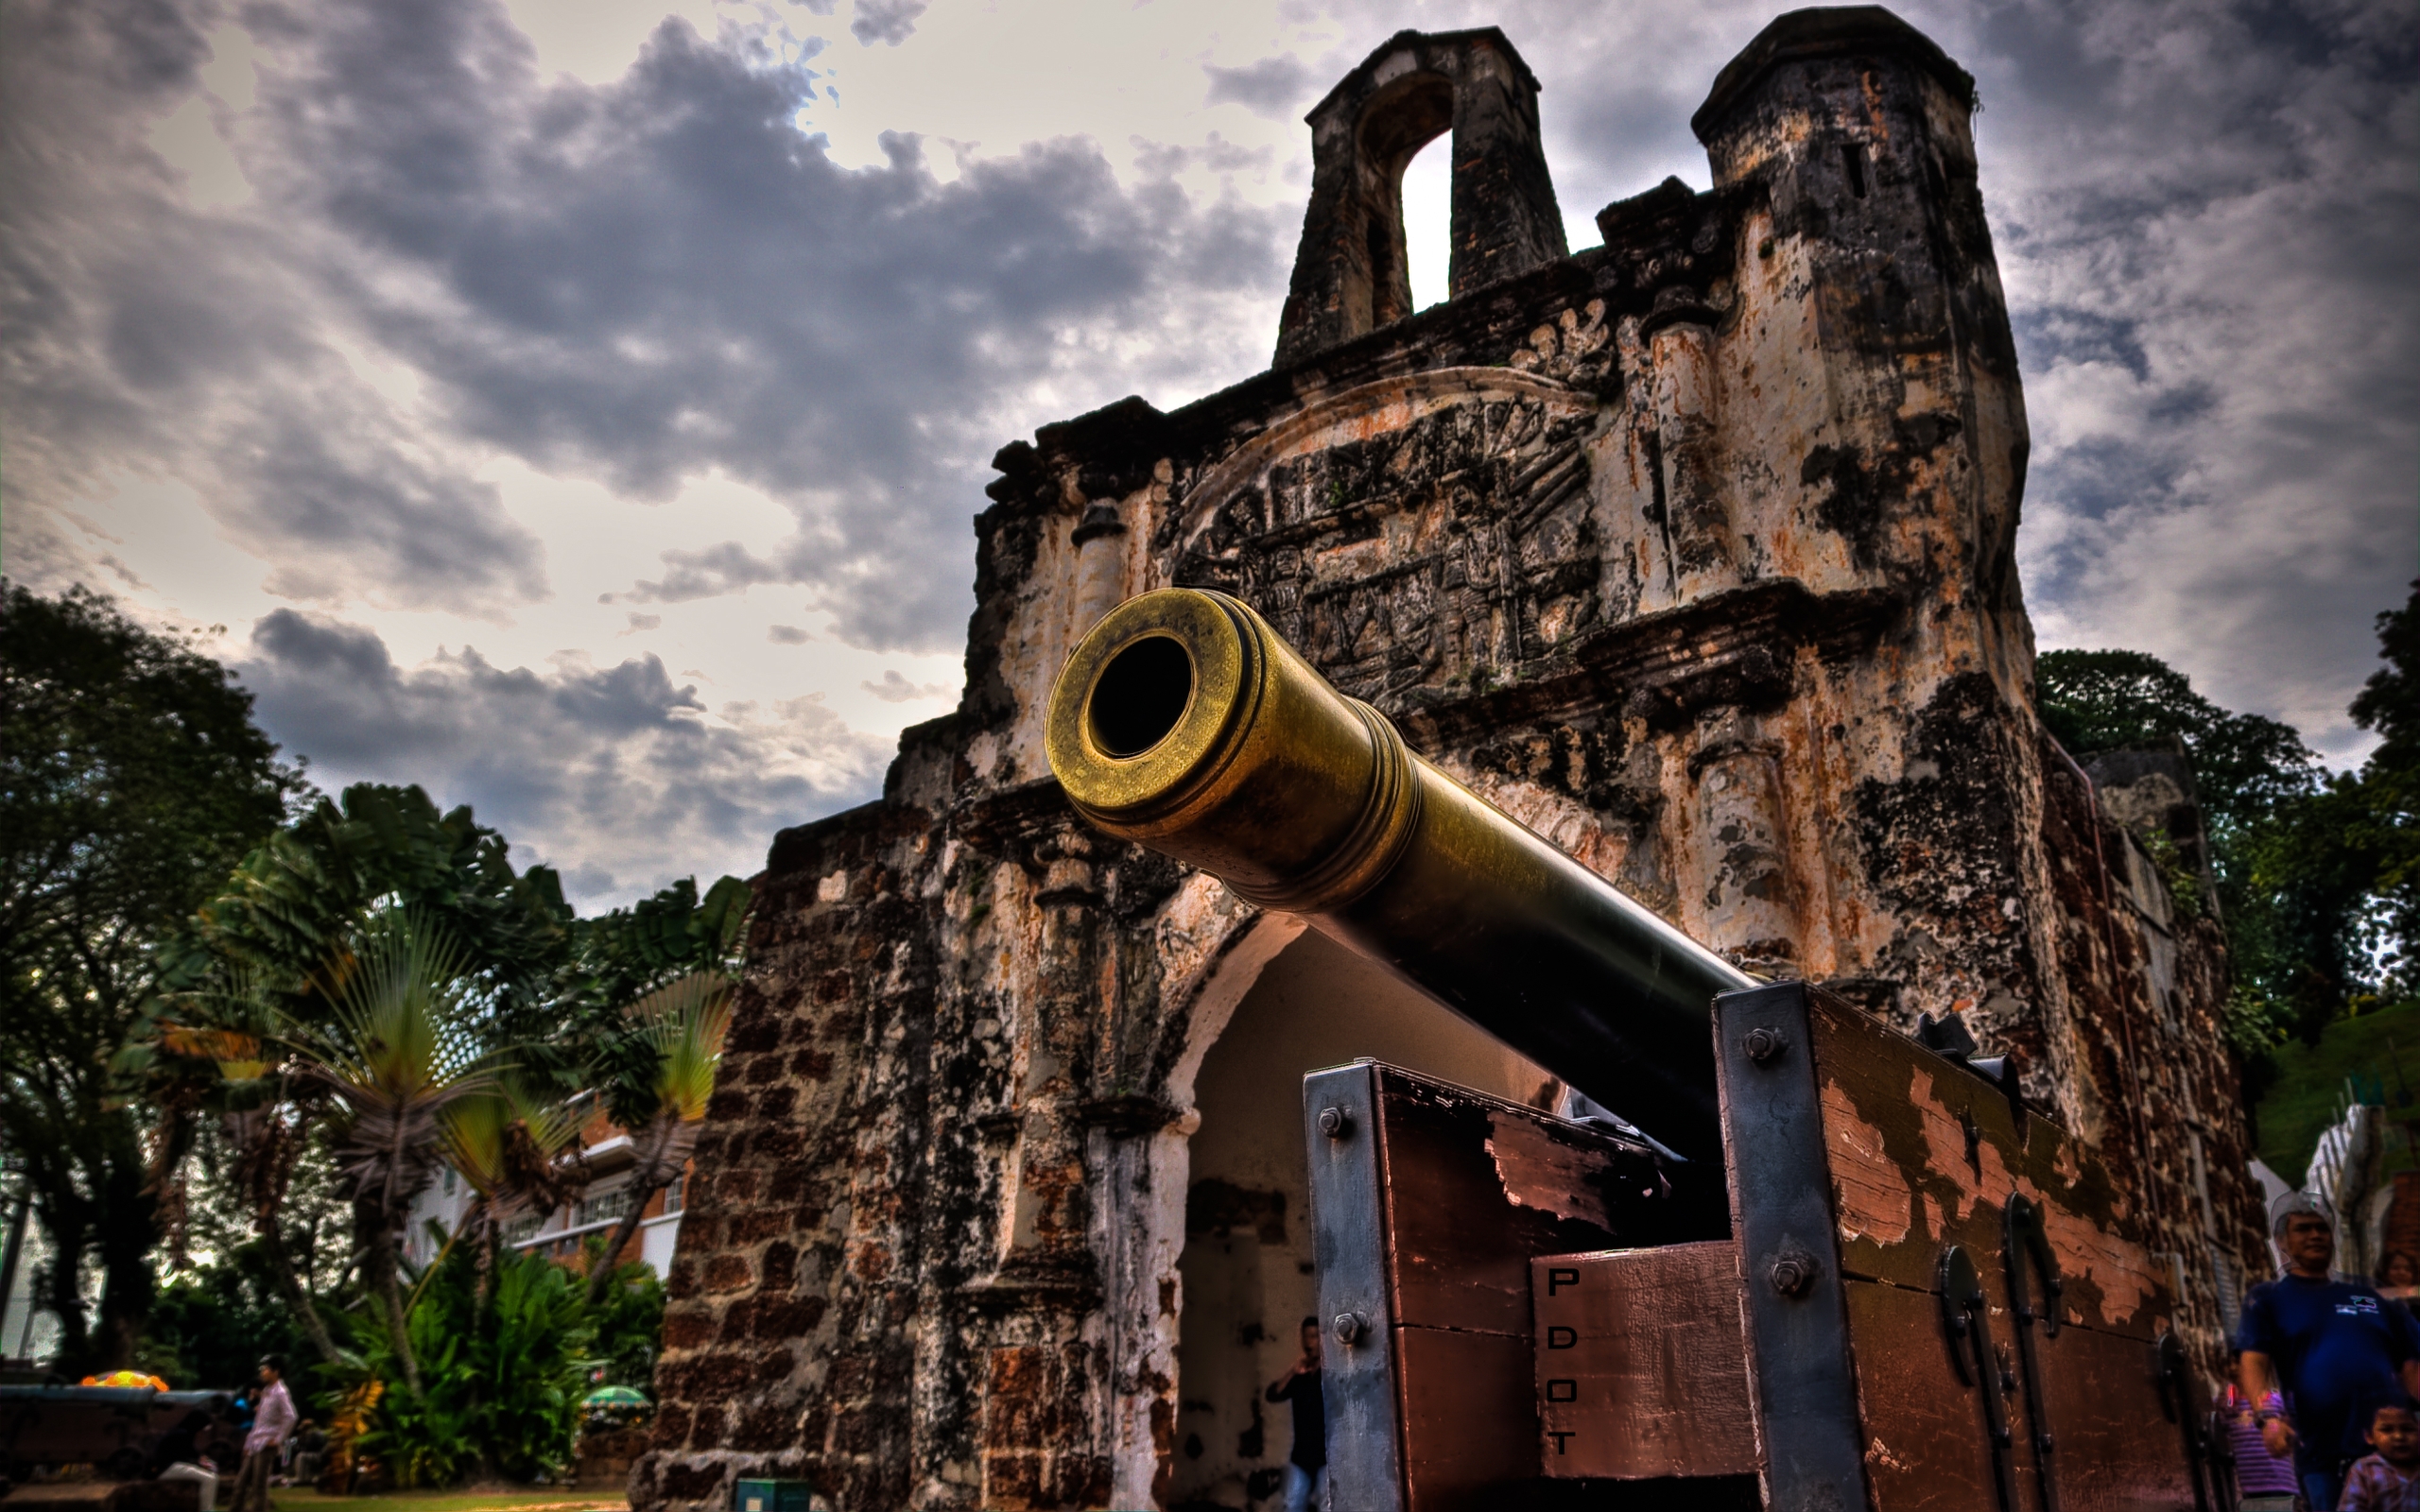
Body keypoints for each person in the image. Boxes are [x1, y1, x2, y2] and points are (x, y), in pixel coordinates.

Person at [2241, 1196, 2420, 1510]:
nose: (2315, 1235)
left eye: (2322, 1228)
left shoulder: (2369, 1294)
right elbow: (2254, 1362)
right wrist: (2268, 1417)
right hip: (2321, 1452)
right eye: (2304, 1229)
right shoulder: (2269, 1299)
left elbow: (2411, 1362)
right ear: (2282, 1240)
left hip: (2392, 1447)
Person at [2224, 1349, 2308, 1511]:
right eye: (2231, 1363)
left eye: (2239, 1363)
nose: (2234, 1368)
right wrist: (2231, 1393)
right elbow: (2223, 1411)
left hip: (2282, 1483)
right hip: (2252, 1487)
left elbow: (2294, 1415)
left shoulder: (2274, 1400)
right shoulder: (2229, 1405)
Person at [1264, 1317, 1326, 1512]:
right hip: (1301, 1457)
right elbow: (1272, 1395)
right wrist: (1292, 1372)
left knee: (1329, 1506)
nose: (1309, 1342)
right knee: (1292, 1505)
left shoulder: (1331, 1374)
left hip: (1328, 1458)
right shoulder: (1299, 1377)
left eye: (1314, 1337)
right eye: (1306, 1337)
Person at [228, 1355, 295, 1512]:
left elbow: (291, 1416)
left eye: (265, 1369)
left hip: (266, 1444)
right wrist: (249, 1443)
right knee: (241, 1483)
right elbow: (259, 1422)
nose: (262, 1373)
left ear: (275, 1372)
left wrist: (278, 1439)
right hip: (256, 1443)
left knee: (259, 1484)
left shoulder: (280, 1393)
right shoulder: (267, 1392)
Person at [2341, 1400, 2420, 1511]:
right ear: (2369, 1436)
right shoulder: (2365, 1469)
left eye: (2408, 1429)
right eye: (2387, 1430)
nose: (2399, 1436)